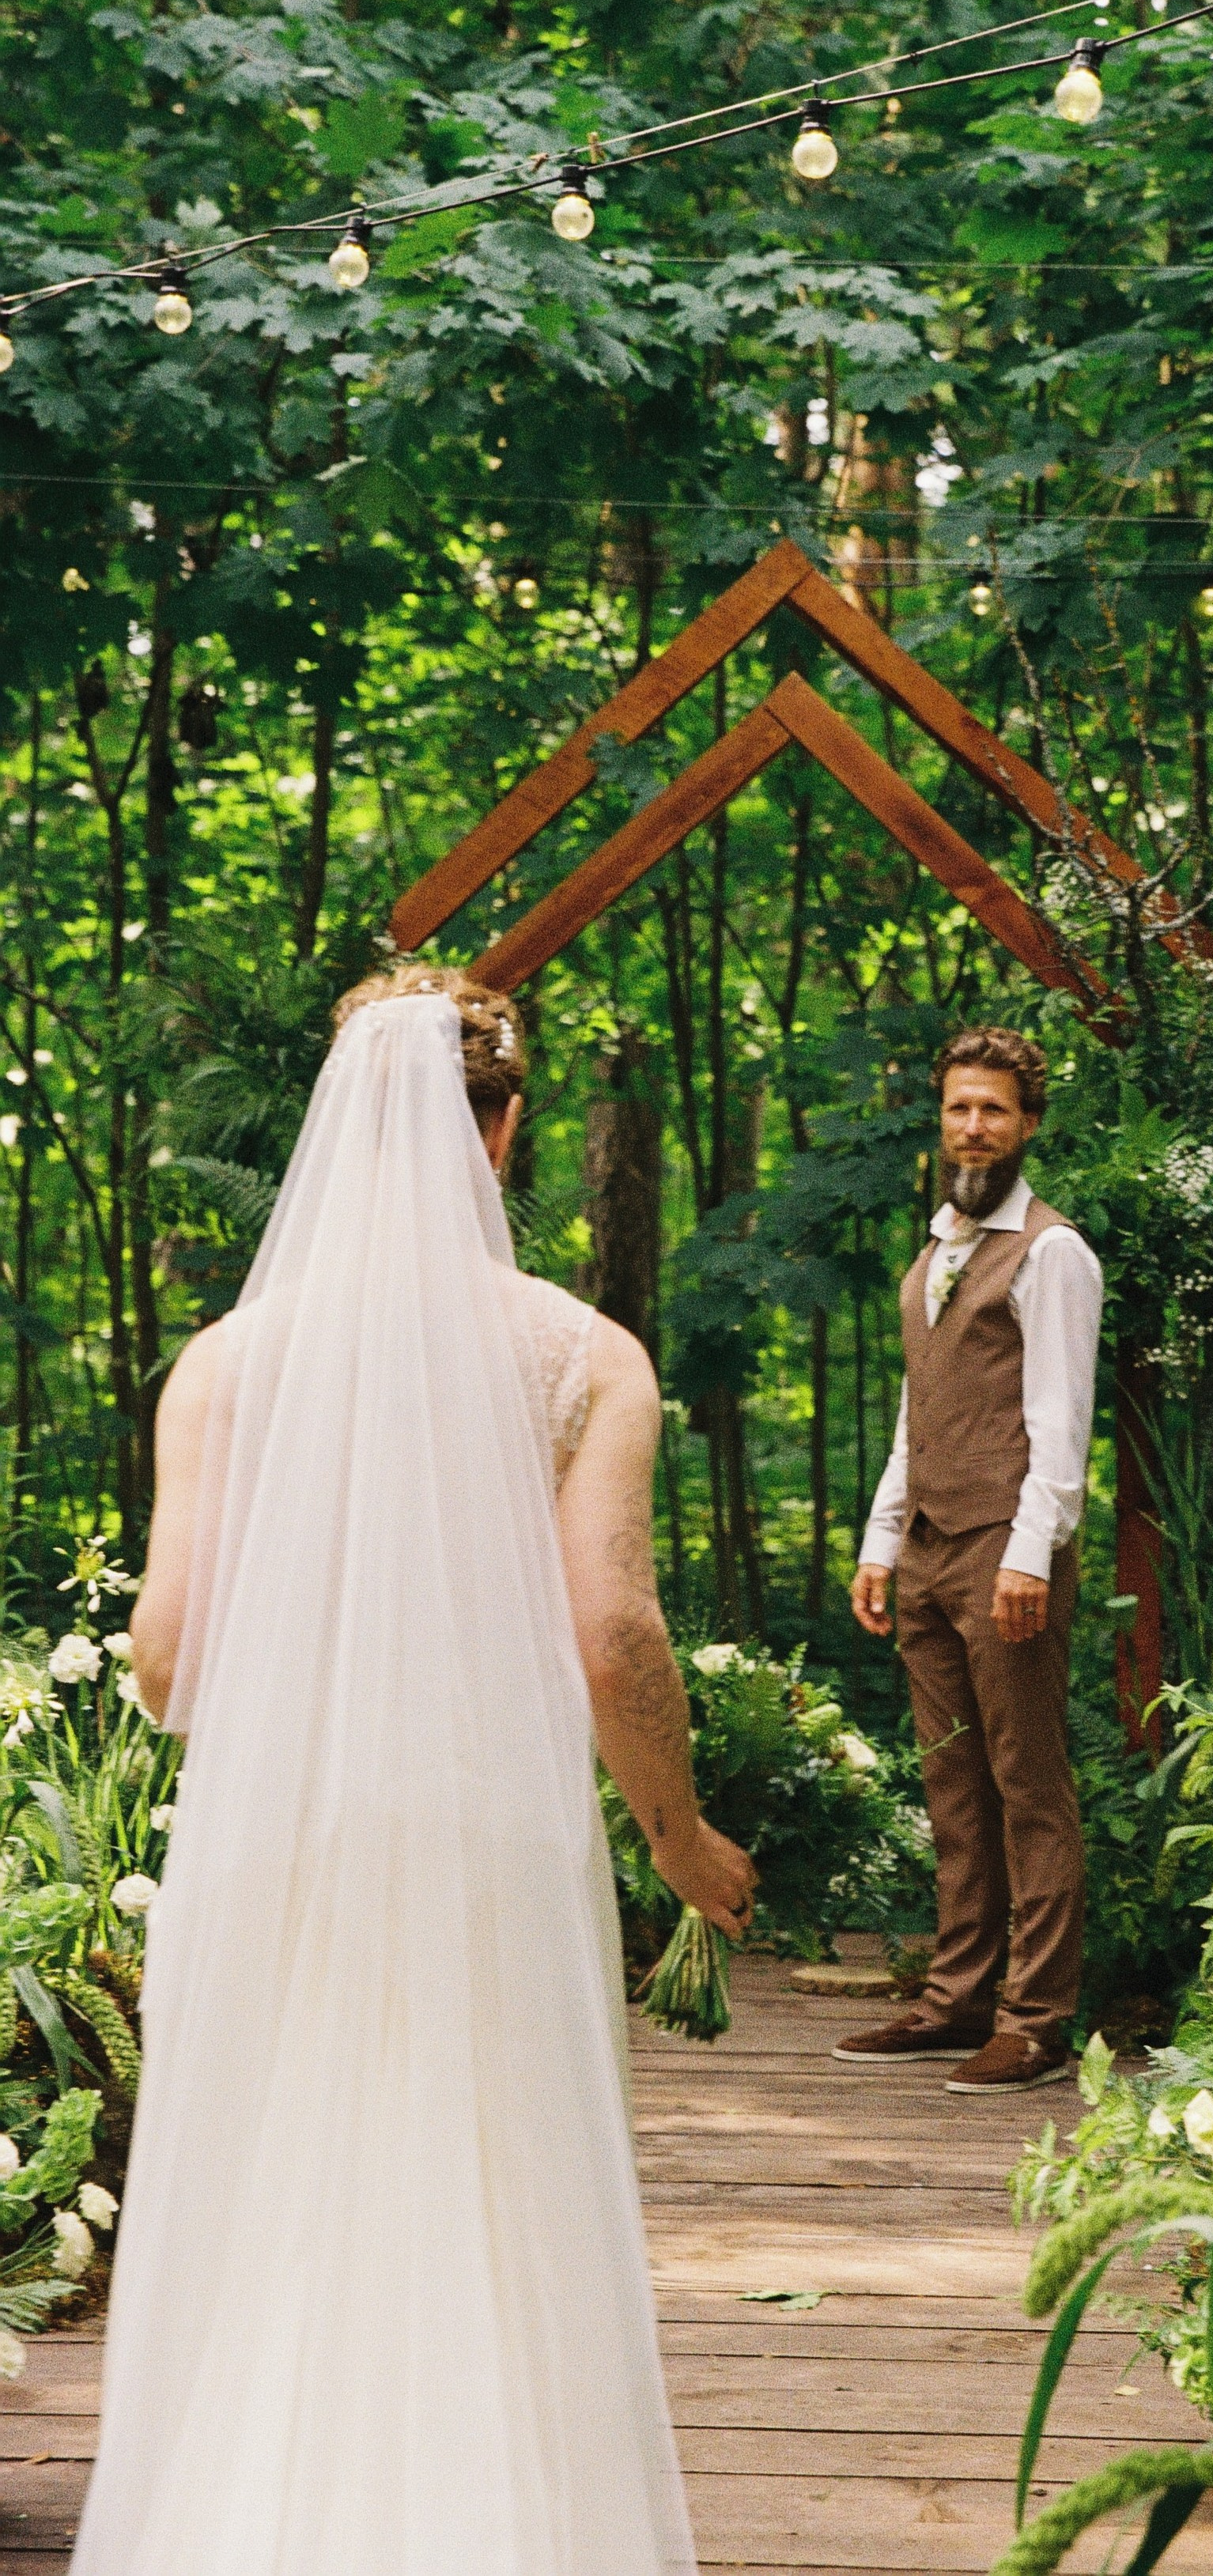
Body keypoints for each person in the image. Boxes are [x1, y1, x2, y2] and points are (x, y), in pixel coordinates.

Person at [72, 965, 754, 2576]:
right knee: (484, 2183)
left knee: (287, 2180)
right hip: (482, 1836)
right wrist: (680, 1838)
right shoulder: (584, 1359)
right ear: (502, 1132)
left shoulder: (231, 1365)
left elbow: (166, 1654)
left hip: (280, 1848)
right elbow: (615, 1637)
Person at [835, 1025, 1102, 2094]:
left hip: (1006, 1549)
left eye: (992, 1108)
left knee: (1026, 1781)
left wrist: (1031, 1554)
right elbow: (919, 1406)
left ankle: (1034, 2018)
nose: (972, 1126)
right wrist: (881, 1537)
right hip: (930, 1550)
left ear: (1027, 1122)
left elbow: (1061, 1423)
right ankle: (955, 1997)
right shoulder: (936, 1247)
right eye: (957, 1108)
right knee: (950, 1777)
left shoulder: (1051, 1251)